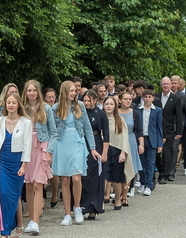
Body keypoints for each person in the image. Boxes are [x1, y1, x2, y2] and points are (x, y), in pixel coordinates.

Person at [50, 80, 94, 225]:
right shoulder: (56, 108)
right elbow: (52, 130)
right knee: (65, 180)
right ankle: (67, 214)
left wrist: (93, 147)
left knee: (76, 177)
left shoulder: (80, 106)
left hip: (77, 141)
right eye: (71, 90)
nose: (73, 93)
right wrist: (49, 150)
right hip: (62, 142)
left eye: (75, 90)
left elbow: (87, 127)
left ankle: (77, 207)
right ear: (64, 92)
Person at [0, 93, 31, 238]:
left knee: (14, 196)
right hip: (2, 161)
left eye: (14, 102)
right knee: (3, 193)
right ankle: (5, 232)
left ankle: (14, 226)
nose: (11, 105)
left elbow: (27, 145)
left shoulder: (26, 122)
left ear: (18, 104)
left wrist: (24, 165)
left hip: (17, 162)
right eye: (8, 102)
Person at [21, 80, 54, 235]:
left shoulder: (45, 108)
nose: (32, 93)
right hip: (26, 147)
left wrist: (49, 152)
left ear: (38, 92)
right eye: (29, 90)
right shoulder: (22, 108)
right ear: (25, 92)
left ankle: (35, 222)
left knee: (38, 184)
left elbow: (53, 132)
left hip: (41, 146)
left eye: (34, 90)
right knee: (28, 184)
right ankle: (31, 219)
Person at [78, 90, 109, 220]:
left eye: (88, 100)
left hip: (96, 143)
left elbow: (106, 135)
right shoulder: (79, 113)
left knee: (95, 176)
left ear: (95, 100)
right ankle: (81, 205)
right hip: (81, 142)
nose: (86, 103)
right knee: (83, 176)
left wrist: (104, 153)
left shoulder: (100, 114)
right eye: (84, 100)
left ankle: (94, 206)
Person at [158, 77, 186, 183]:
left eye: (167, 84)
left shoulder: (175, 98)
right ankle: (160, 171)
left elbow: (179, 116)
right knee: (157, 153)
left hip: (169, 129)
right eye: (163, 84)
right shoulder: (156, 97)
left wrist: (179, 132)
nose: (165, 86)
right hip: (157, 128)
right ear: (161, 86)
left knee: (167, 152)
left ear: (171, 85)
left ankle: (165, 175)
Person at [103, 96, 129, 209]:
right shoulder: (101, 118)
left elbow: (124, 137)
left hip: (116, 150)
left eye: (111, 104)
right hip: (103, 150)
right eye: (107, 104)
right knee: (103, 176)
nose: (109, 106)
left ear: (115, 106)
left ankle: (118, 198)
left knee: (116, 178)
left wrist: (123, 152)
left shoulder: (119, 120)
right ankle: (101, 200)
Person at [133, 90, 161, 194]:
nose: (147, 99)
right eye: (146, 97)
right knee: (141, 162)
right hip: (141, 138)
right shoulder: (138, 109)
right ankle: (142, 182)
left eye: (149, 97)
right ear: (143, 98)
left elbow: (159, 127)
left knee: (150, 163)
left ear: (153, 98)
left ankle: (149, 185)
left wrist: (160, 144)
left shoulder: (157, 110)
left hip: (152, 139)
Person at [116, 92, 139, 193]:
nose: (128, 101)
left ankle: (129, 189)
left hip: (130, 139)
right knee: (118, 166)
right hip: (117, 140)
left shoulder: (135, 113)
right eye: (125, 99)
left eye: (130, 99)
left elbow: (138, 130)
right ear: (120, 100)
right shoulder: (115, 113)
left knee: (130, 165)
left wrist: (141, 144)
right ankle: (118, 191)